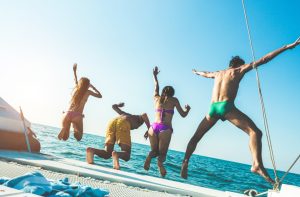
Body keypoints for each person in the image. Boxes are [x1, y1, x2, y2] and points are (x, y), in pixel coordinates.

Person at [180, 37, 300, 184]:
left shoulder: (218, 73)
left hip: (212, 108)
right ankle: (256, 164)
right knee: (255, 132)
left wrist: (195, 72)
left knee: (196, 137)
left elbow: (205, 73)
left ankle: (185, 161)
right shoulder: (238, 70)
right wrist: (287, 47)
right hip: (226, 107)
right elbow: (264, 59)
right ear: (237, 64)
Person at [144, 66, 191, 177]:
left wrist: (155, 75)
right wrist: (187, 109)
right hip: (165, 129)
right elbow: (183, 115)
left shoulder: (156, 98)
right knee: (162, 155)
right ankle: (160, 164)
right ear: (172, 93)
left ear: (163, 92)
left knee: (154, 151)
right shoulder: (174, 100)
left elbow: (156, 86)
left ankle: (149, 157)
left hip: (153, 127)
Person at [86, 102, 150, 170]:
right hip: (123, 123)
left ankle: (91, 150)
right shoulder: (138, 118)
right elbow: (144, 114)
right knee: (127, 155)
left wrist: (118, 105)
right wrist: (149, 128)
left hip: (112, 122)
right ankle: (117, 154)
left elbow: (113, 106)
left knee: (107, 153)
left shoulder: (125, 114)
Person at [58, 63, 102, 141]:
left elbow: (75, 80)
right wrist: (93, 87)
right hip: (77, 115)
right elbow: (100, 96)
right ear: (87, 85)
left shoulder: (76, 88)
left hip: (67, 113)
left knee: (64, 138)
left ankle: (64, 128)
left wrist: (74, 71)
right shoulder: (88, 92)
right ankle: (75, 127)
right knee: (79, 137)